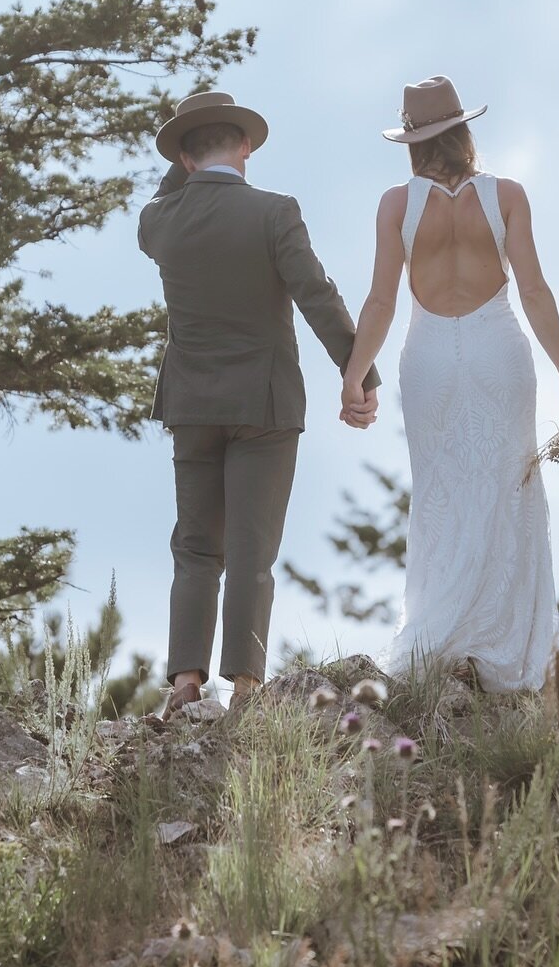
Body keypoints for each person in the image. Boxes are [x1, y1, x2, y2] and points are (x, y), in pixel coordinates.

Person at [343, 76, 559, 691]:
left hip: (427, 357)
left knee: (440, 491)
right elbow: (532, 289)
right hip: (498, 350)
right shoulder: (506, 195)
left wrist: (354, 375)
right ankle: (503, 647)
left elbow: (381, 300)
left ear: (412, 141)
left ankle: (439, 632)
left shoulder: (395, 206)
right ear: (463, 130)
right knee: (509, 485)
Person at [139, 90, 379, 722]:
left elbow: (169, 194)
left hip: (191, 404)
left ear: (185, 159)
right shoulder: (275, 212)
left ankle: (187, 681)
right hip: (266, 405)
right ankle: (245, 686)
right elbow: (316, 294)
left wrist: (183, 151)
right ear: (246, 147)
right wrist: (359, 372)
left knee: (195, 547)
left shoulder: (159, 223)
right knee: (252, 550)